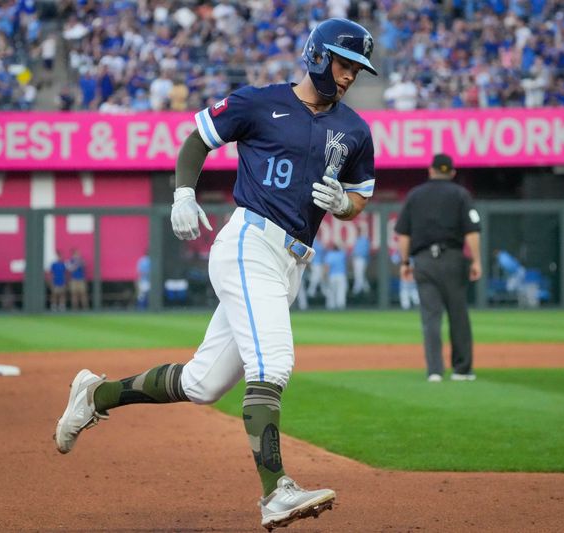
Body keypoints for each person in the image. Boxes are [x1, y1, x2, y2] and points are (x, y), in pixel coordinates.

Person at [54, 18, 378, 531]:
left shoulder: (355, 129)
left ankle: (96, 394)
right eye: (343, 63)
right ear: (317, 54)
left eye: (357, 69)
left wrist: (344, 204)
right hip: (250, 241)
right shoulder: (259, 102)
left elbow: (361, 195)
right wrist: (184, 192)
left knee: (202, 384)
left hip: (291, 260)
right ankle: (275, 492)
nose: (348, 77)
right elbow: (198, 140)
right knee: (273, 361)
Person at [394, 154, 482, 383]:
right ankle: (461, 370)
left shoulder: (415, 195)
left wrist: (405, 262)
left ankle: (434, 370)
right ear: (452, 173)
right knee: (458, 315)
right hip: (453, 259)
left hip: (424, 261)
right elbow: (472, 232)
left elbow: (403, 234)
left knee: (431, 317)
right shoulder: (461, 194)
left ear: (430, 170)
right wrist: (476, 260)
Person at [323, 241, 348, 310]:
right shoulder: (342, 254)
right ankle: (340, 306)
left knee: (332, 292)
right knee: (341, 292)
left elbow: (327, 267)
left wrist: (325, 275)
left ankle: (331, 306)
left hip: (332, 276)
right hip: (341, 276)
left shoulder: (330, 254)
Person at [350, 226, 371, 295]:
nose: (357, 233)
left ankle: (356, 290)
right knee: (359, 275)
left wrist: (356, 254)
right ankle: (367, 290)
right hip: (356, 259)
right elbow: (354, 251)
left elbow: (365, 251)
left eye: (358, 231)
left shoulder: (364, 240)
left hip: (362, 259)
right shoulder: (357, 240)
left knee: (359, 275)